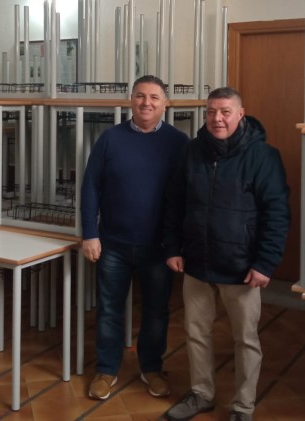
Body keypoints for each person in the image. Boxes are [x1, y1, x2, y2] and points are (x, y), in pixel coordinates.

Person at [162, 87, 290, 421]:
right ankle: (201, 394)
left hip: (241, 267)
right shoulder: (191, 152)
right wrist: (173, 247)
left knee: (245, 339)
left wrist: (265, 263)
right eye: (211, 112)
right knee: (196, 333)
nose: (217, 119)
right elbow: (174, 204)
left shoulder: (263, 156)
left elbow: (277, 213)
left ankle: (243, 406)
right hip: (196, 261)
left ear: (240, 114)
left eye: (225, 112)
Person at [80, 75, 189, 400]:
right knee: (109, 309)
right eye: (140, 96)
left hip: (158, 247)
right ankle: (106, 370)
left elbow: (184, 196)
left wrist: (177, 244)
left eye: (154, 97)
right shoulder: (110, 138)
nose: (146, 103)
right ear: (131, 100)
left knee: (156, 312)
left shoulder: (179, 142)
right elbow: (90, 187)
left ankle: (151, 368)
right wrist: (90, 233)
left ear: (165, 103)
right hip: (112, 243)